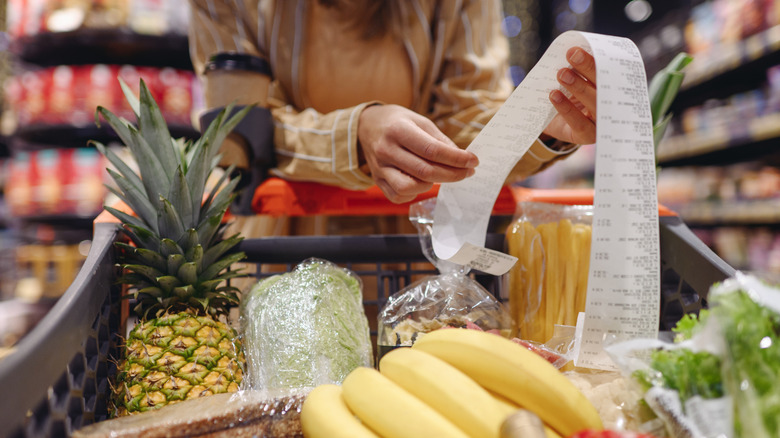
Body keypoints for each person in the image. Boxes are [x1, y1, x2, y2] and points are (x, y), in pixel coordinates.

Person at [188, 0, 596, 205]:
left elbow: (467, 121)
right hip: (279, 249)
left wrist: (540, 126)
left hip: (416, 252)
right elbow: (238, 129)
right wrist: (354, 137)